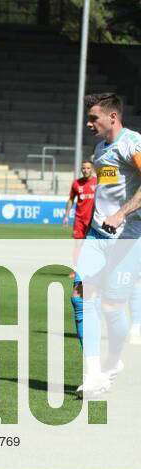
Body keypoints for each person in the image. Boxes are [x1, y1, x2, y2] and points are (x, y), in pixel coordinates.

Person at [75, 93, 141, 397]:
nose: (89, 124)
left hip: (127, 238)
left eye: (94, 118)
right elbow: (108, 187)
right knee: (80, 297)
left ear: (112, 117)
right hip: (96, 236)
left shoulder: (132, 144)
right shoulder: (100, 148)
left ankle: (113, 361)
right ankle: (93, 374)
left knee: (113, 305)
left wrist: (121, 212)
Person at [63, 160, 96, 341]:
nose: (85, 170)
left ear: (92, 169)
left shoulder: (97, 183)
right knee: (77, 245)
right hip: (79, 220)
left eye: (88, 168)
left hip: (93, 221)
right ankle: (76, 269)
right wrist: (66, 214)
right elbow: (70, 199)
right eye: (83, 168)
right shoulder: (77, 184)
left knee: (90, 248)